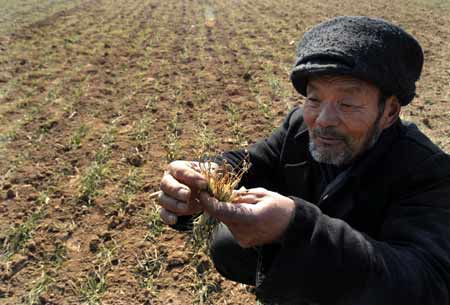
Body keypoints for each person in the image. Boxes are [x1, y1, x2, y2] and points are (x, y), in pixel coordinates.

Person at [157, 16, 450, 305]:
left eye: (347, 104)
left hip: (369, 286)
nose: (323, 120)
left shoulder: (427, 171)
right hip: (320, 268)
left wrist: (296, 228)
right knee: (227, 244)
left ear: (389, 112)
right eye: (314, 99)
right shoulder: (300, 127)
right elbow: (255, 161)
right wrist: (206, 177)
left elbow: (427, 284)